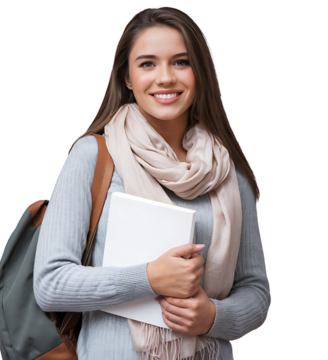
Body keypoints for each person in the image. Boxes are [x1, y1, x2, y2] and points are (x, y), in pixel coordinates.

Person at [34, 5, 270, 360]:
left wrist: (214, 317)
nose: (165, 78)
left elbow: (255, 291)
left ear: (200, 72)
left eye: (181, 62)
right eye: (147, 64)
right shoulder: (93, 155)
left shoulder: (228, 169)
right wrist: (148, 279)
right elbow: (50, 284)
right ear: (127, 77)